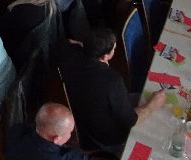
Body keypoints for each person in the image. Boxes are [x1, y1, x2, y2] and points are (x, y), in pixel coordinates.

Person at [59, 27, 166, 156]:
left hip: (83, 117)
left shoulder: (70, 54)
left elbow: (68, 42)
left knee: (142, 98)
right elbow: (131, 121)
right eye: (114, 48)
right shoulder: (112, 81)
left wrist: (86, 45)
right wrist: (152, 106)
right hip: (106, 138)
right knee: (156, 119)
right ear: (105, 56)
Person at [4, 103, 85, 160]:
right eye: (70, 132)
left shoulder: (14, 133)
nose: (71, 134)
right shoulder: (67, 157)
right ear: (57, 139)